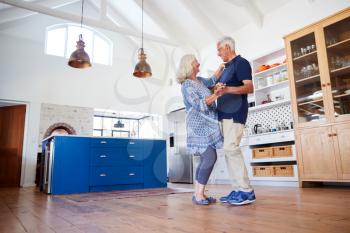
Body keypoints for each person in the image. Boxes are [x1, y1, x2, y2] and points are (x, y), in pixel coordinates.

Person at [177, 54, 225, 205]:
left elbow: (212, 80)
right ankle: (199, 195)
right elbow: (198, 104)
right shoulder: (187, 85)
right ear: (189, 66)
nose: (198, 63)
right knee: (210, 157)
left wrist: (222, 67)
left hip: (207, 124)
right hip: (197, 126)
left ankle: (199, 194)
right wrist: (216, 95)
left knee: (206, 158)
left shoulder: (199, 81)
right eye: (195, 62)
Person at [216, 36, 256, 205]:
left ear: (227, 47)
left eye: (219, 49)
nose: (218, 53)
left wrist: (227, 90)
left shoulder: (241, 63)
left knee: (231, 148)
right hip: (223, 115)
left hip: (235, 113)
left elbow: (249, 87)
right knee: (228, 151)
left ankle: (246, 191)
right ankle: (237, 189)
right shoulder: (226, 68)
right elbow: (222, 89)